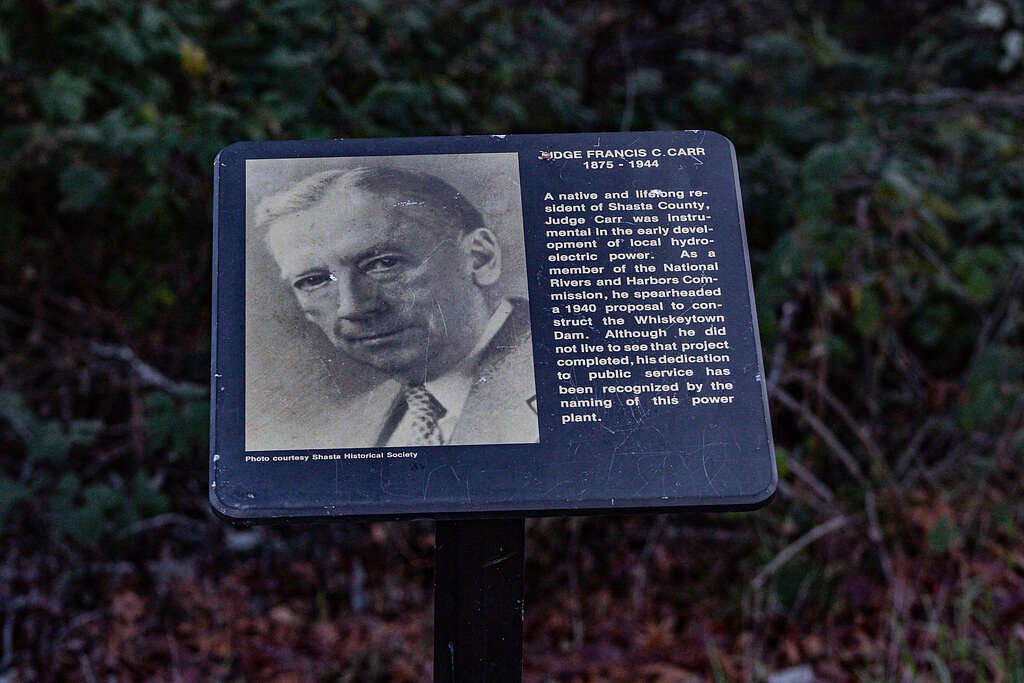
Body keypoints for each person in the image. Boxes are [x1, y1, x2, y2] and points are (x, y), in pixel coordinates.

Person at [256, 166, 538, 447]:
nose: (352, 308)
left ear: (479, 258)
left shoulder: (563, 378)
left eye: (384, 263)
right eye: (314, 281)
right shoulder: (343, 429)